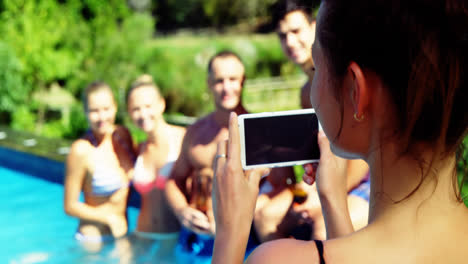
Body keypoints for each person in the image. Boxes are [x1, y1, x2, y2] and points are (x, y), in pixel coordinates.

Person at [212, 0, 468, 263]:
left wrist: (229, 234)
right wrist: (332, 198)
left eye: (318, 67)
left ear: (356, 91)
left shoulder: (275, 259)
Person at [253, 0, 369, 242]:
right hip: (329, 179)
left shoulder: (342, 78)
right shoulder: (307, 92)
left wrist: (326, 194)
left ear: (314, 27)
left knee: (321, 226)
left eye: (296, 31)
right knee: (265, 216)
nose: (290, 42)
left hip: (367, 180)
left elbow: (364, 150)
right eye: (283, 36)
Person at [165, 50, 271, 257]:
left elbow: (278, 188)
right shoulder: (195, 132)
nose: (227, 88)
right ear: (209, 83)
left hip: (242, 237)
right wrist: (182, 211)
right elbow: (174, 180)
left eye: (233, 79)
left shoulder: (260, 131)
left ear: (243, 82)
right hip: (197, 235)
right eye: (219, 81)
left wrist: (234, 216)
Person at [64, 81, 135, 249]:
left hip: (122, 236)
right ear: (86, 112)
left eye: (106, 109)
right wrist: (107, 217)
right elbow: (69, 206)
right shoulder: (81, 150)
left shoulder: (122, 136)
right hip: (93, 242)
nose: (102, 117)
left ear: (115, 107)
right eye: (94, 111)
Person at [125, 75, 186, 259]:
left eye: (148, 106)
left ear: (161, 104)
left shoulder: (183, 139)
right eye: (136, 109)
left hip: (173, 240)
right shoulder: (139, 149)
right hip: (140, 237)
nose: (143, 114)